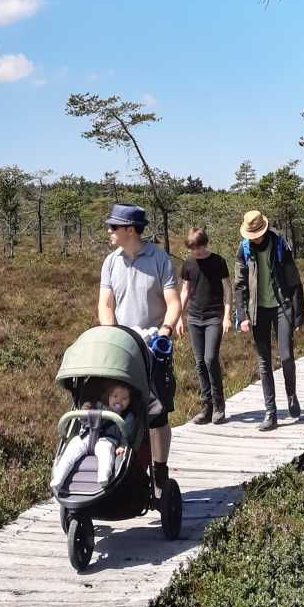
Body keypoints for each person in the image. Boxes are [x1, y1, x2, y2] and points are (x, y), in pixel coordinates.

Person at [98, 203, 182, 494]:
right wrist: (110, 334)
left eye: (114, 227)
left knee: (157, 415)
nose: (109, 231)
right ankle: (119, 469)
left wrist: (166, 330)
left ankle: (160, 471)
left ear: (130, 230)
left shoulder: (160, 260)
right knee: (116, 408)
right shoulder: (110, 262)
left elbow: (173, 303)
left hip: (152, 347)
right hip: (121, 349)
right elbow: (105, 305)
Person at [233, 209, 304, 432]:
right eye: (250, 234)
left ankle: (291, 394)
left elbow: (294, 280)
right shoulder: (243, 249)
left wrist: (298, 315)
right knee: (264, 362)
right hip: (258, 311)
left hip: (281, 306)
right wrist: (242, 316)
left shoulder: (279, 244)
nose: (254, 237)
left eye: (256, 232)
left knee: (286, 356)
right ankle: (270, 412)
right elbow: (239, 285)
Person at [176, 227, 231, 425]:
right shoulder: (188, 264)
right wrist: (179, 317)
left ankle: (219, 406)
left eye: (198, 248)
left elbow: (227, 290)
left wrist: (227, 317)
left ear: (204, 244)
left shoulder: (218, 262)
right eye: (192, 249)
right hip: (194, 318)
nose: (196, 252)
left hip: (214, 317)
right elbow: (185, 291)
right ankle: (206, 408)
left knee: (210, 359)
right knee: (199, 363)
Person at [50, 382, 135, 490]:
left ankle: (104, 474)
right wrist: (84, 411)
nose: (119, 401)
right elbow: (83, 421)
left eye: (124, 399)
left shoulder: (127, 416)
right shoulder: (97, 405)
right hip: (87, 436)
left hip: (107, 439)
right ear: (108, 397)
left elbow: (126, 434)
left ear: (129, 401)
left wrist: (123, 445)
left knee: (106, 451)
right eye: (115, 396)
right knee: (72, 449)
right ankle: (59, 477)